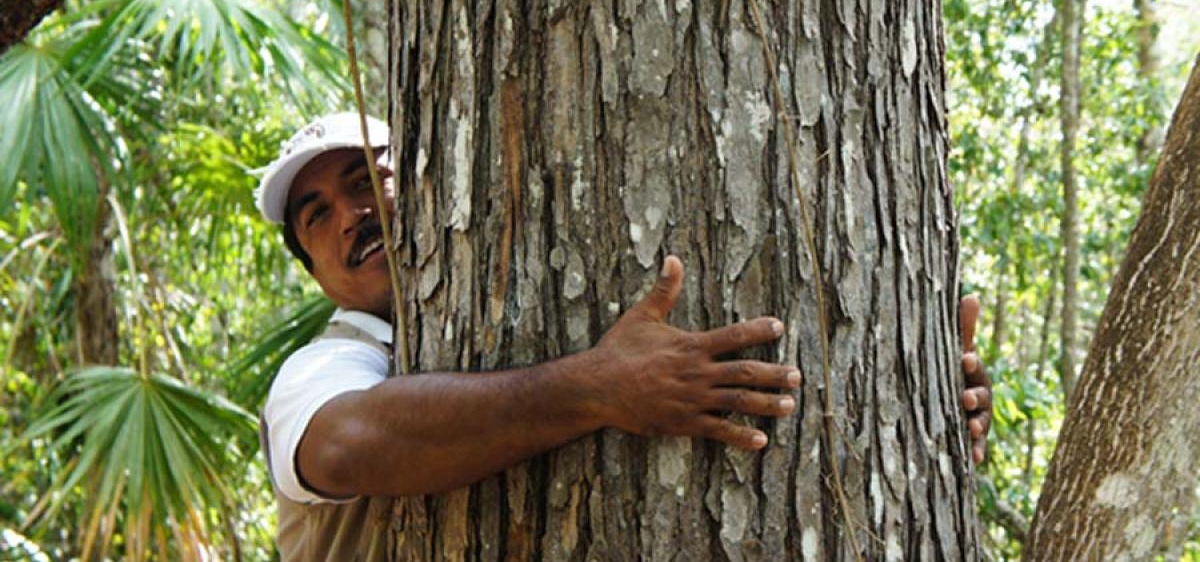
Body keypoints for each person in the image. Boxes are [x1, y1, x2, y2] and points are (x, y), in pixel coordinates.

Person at [254, 113, 994, 560]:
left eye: (364, 179)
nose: (351, 214)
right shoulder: (321, 368)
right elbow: (344, 443)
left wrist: (910, 403)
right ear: (313, 269)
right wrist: (601, 388)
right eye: (316, 215)